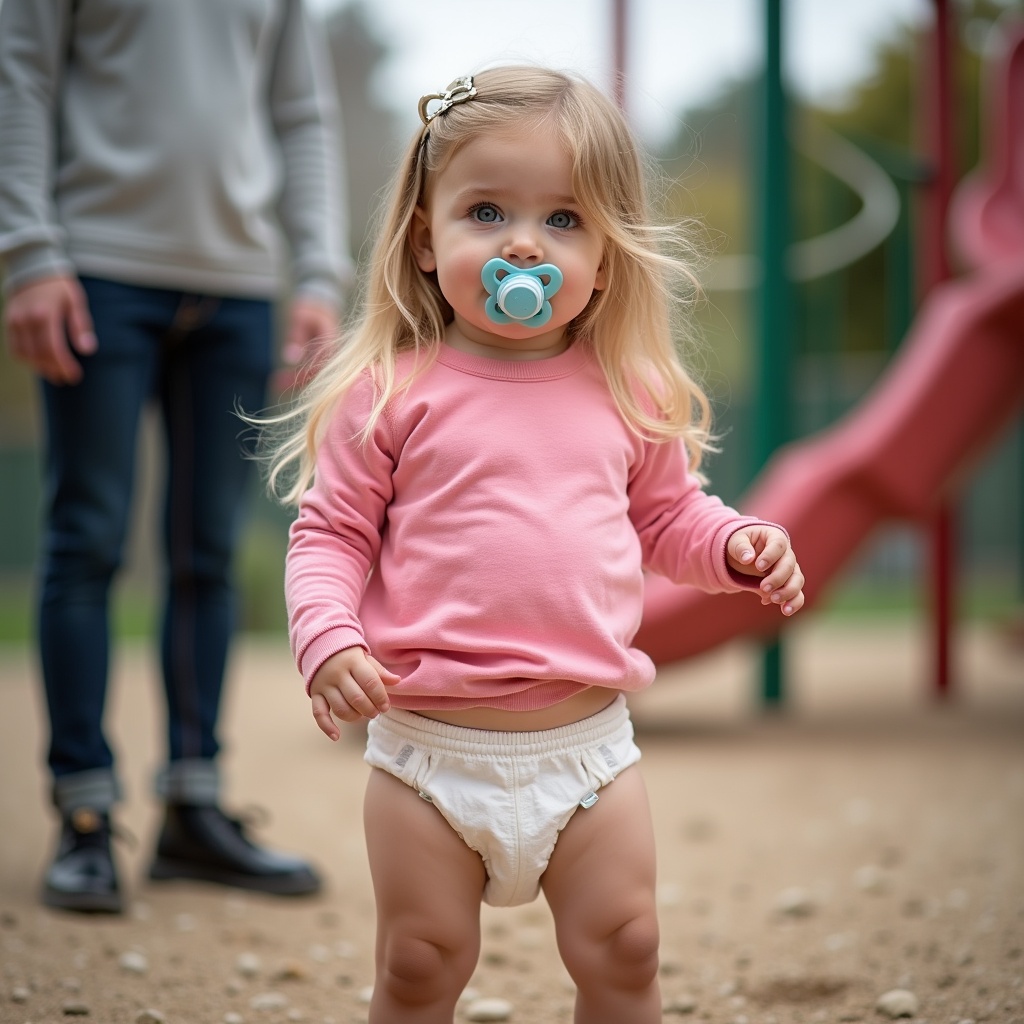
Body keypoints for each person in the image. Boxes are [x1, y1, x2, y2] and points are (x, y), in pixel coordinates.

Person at [269, 66, 805, 1023]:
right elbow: (330, 537)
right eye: (487, 211)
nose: (524, 243)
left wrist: (736, 544)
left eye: (564, 220)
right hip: (431, 755)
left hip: (587, 752)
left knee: (628, 949)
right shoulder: (393, 393)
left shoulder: (626, 392)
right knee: (420, 965)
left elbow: (672, 518)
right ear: (427, 240)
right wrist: (328, 637)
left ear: (606, 256)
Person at [0, 0, 352, 914]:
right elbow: (20, 73)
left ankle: (193, 809)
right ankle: (84, 815)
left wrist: (316, 272)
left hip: (240, 289)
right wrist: (26, 251)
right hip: (95, 270)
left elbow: (301, 112)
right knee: (89, 541)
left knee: (207, 552)